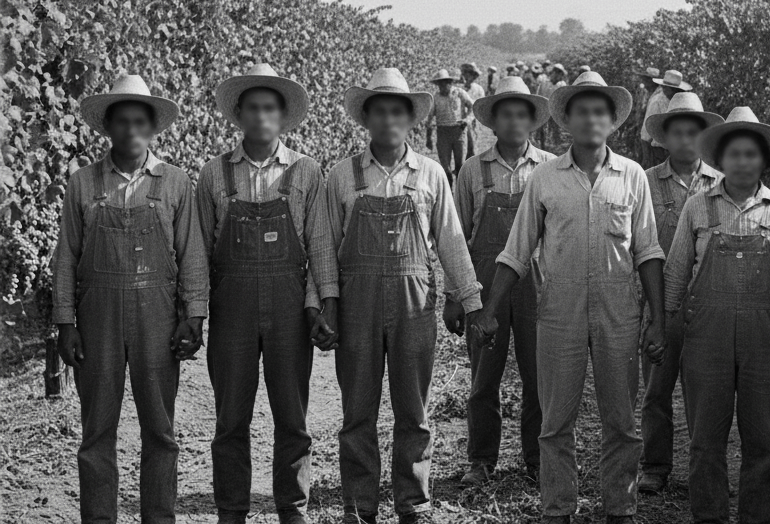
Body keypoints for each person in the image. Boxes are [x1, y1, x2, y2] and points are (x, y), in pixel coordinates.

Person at [472, 70, 667, 524]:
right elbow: (516, 252)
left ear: (611, 121)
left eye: (599, 111)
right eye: (582, 111)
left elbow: (648, 251)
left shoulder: (632, 176)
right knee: (556, 421)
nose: (591, 119)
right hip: (558, 310)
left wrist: (656, 318)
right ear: (567, 122)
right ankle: (558, 510)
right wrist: (489, 311)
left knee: (621, 421)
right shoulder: (546, 178)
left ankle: (619, 509)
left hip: (619, 311)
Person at [52, 74, 209, 524]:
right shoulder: (82, 183)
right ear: (108, 127)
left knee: (159, 429)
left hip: (157, 320)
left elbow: (192, 254)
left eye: (140, 120)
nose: (131, 129)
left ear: (152, 127)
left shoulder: (175, 181)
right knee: (97, 430)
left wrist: (193, 317)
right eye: (122, 121)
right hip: (97, 317)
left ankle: (158, 518)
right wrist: (66, 323)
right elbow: (67, 257)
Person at [330, 68, 483, 524]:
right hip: (356, 303)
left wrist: (470, 301)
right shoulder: (342, 175)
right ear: (367, 118)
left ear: (410, 119)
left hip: (415, 303)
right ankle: (359, 505)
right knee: (357, 409)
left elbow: (452, 241)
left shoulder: (431, 174)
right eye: (380, 111)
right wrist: (324, 304)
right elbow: (323, 247)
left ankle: (412, 502)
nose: (388, 119)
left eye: (397, 111)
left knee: (413, 410)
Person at [196, 63, 338, 524]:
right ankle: (231, 509)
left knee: (292, 417)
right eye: (253, 108)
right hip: (231, 308)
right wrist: (194, 313)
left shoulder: (305, 170)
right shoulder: (214, 174)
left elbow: (318, 245)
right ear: (238, 114)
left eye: (269, 108)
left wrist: (320, 305)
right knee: (230, 418)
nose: (261, 116)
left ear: (282, 116)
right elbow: (198, 252)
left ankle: (291, 507)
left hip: (288, 307)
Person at [664, 106, 770, 524]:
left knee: (762, 441)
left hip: (765, 339)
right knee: (705, 440)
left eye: (751, 154)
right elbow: (676, 271)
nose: (743, 161)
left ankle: (756, 517)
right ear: (721, 160)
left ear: (764, 161)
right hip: (705, 338)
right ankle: (709, 516)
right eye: (734, 154)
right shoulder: (698, 207)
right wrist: (660, 323)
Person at [444, 76, 555, 487]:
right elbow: (457, 237)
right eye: (505, 114)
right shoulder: (474, 169)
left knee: (538, 377)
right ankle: (481, 460)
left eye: (521, 114)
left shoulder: (550, 167)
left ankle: (537, 459)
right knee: (482, 379)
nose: (513, 121)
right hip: (485, 284)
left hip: (536, 282)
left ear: (532, 120)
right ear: (492, 122)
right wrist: (455, 295)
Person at [637, 92, 725, 494]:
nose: (686, 140)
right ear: (665, 138)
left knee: (704, 393)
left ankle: (702, 470)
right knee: (657, 389)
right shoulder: (645, 182)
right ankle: (655, 466)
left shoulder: (722, 183)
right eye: (677, 132)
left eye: (694, 132)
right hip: (658, 302)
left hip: (707, 304)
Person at [425, 69, 475, 186]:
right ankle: (449, 191)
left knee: (460, 165)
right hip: (443, 132)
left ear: (450, 82)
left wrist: (467, 120)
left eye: (445, 82)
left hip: (459, 131)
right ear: (438, 85)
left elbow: (473, 107)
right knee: (445, 167)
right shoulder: (435, 98)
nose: (443, 86)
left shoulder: (459, 93)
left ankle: (461, 194)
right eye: (440, 83)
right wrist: (429, 138)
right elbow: (430, 118)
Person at [641, 70, 692, 169]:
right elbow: (645, 133)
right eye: (672, 89)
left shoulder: (680, 101)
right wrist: (646, 158)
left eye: (676, 90)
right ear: (665, 88)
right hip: (659, 152)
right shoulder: (657, 102)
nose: (675, 92)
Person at [536, 64, 567, 150]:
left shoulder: (562, 84)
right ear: (552, 72)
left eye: (559, 73)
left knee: (555, 128)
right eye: (555, 72)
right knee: (542, 129)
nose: (557, 75)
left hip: (555, 110)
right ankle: (542, 145)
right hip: (544, 109)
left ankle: (556, 145)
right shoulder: (544, 83)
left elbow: (563, 98)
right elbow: (538, 95)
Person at [461, 63, 486, 158]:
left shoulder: (478, 89)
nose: (467, 76)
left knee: (472, 144)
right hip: (460, 119)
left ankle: (470, 164)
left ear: (474, 76)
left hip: (473, 120)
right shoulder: (459, 88)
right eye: (465, 73)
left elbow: (482, 104)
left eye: (470, 74)